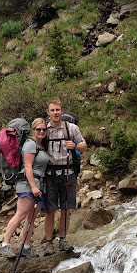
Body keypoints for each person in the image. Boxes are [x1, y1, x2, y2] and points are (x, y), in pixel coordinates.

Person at [0, 118, 50, 258]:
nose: (41, 131)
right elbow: (27, 166)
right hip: (28, 184)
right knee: (20, 214)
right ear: (33, 130)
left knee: (31, 217)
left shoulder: (40, 145)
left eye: (44, 129)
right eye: (38, 129)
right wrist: (33, 186)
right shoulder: (30, 144)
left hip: (38, 184)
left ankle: (26, 247)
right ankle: (4, 245)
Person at [43, 98, 87, 254]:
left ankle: (63, 240)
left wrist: (75, 146)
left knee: (66, 209)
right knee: (50, 210)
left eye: (58, 110)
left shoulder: (71, 128)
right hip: (50, 175)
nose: (55, 113)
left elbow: (84, 146)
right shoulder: (44, 129)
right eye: (52, 110)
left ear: (62, 111)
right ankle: (49, 243)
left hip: (68, 173)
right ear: (48, 112)